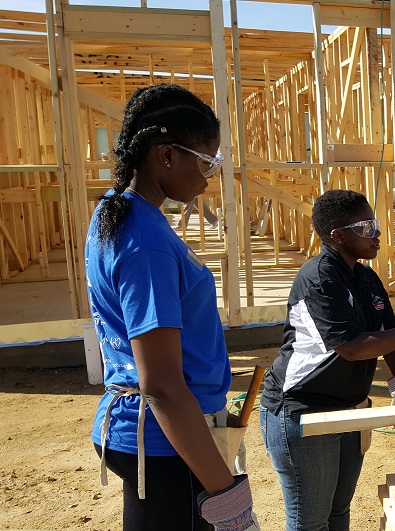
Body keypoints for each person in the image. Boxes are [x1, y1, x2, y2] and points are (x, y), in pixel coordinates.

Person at [86, 84, 258, 530]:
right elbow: (162, 385)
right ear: (166, 156)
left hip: (149, 432)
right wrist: (227, 495)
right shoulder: (146, 243)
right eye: (207, 161)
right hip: (166, 443)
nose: (209, 176)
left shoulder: (120, 211)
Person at [259, 189, 395, 531]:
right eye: (366, 227)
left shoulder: (365, 277)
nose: (377, 233)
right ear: (337, 236)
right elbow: (351, 346)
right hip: (302, 409)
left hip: (349, 408)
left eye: (375, 223)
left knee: (338, 514)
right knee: (310, 521)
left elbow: (386, 333)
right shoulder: (319, 278)